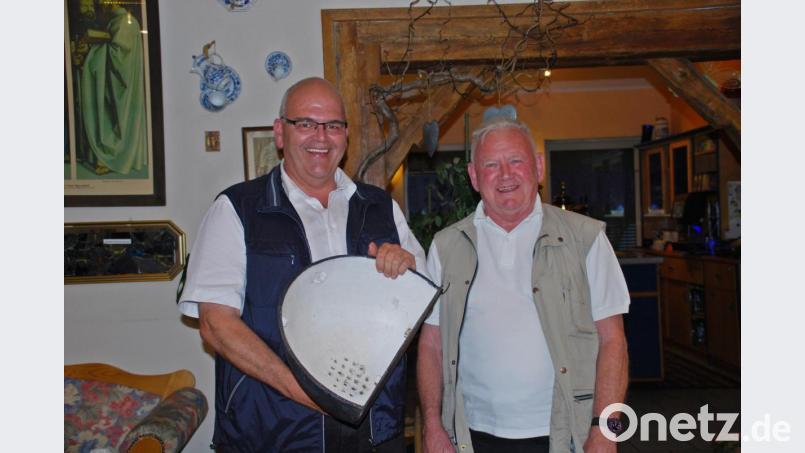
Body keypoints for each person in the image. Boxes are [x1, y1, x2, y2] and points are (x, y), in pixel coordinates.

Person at [178, 77, 426, 452]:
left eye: (333, 125)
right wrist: (304, 393)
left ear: (346, 136)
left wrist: (405, 269)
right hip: (272, 433)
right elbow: (216, 325)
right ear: (280, 132)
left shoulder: (381, 207)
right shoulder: (237, 209)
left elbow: (421, 300)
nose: (321, 137)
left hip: (374, 431)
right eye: (306, 123)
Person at [417, 117, 630, 453]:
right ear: (474, 176)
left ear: (538, 167)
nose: (505, 175)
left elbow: (613, 341)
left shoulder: (586, 239)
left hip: (565, 435)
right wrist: (432, 424)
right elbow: (431, 345)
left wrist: (606, 430)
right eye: (491, 165)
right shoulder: (446, 247)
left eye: (516, 160)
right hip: (472, 436)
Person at [75, 0, 148, 176]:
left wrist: (92, 51)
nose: (99, 4)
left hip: (122, 86)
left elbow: (119, 58)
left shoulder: (125, 22)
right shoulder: (116, 21)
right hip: (115, 83)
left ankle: (114, 155)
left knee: (117, 119)